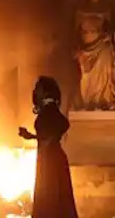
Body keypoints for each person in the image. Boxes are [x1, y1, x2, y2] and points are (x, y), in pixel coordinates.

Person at [18, 76, 79, 218]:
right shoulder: (48, 110)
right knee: (50, 196)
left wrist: (38, 138)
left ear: (45, 92)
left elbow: (60, 126)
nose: (35, 91)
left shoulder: (49, 110)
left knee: (51, 196)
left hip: (51, 158)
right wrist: (33, 137)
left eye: (38, 88)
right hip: (49, 157)